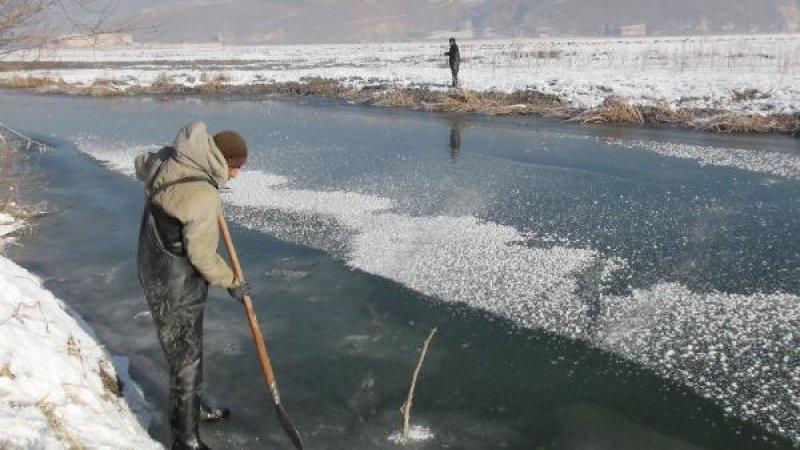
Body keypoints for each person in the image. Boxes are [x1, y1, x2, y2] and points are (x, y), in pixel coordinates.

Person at [135, 122, 251, 450]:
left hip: (150, 263)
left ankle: (190, 410)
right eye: (237, 167)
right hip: (176, 284)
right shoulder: (203, 196)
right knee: (186, 358)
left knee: (181, 353)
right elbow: (201, 256)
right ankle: (185, 441)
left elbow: (139, 163)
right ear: (223, 160)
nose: (237, 174)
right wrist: (233, 282)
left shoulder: (167, 160)